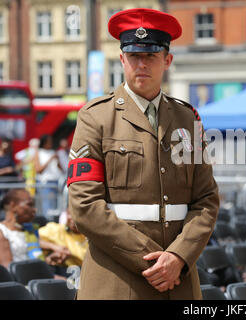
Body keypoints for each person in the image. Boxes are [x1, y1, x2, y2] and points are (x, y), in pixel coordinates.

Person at [67, 8, 219, 300]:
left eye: (150, 56)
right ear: (122, 59)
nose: (141, 64)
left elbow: (206, 200)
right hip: (116, 282)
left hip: (178, 281)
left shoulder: (188, 119)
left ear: (167, 60)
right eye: (134, 56)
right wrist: (155, 261)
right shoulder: (95, 117)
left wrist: (178, 256)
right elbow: (85, 206)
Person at [0, 189, 45, 268]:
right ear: (13, 206)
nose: (34, 209)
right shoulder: (2, 232)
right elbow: (8, 268)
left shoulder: (30, 231)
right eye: (29, 205)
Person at [35, 134, 63, 218]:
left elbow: (61, 169)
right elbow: (38, 170)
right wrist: (50, 159)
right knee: (47, 205)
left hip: (56, 181)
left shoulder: (53, 152)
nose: (51, 143)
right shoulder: (38, 153)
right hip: (46, 183)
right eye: (49, 141)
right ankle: (48, 222)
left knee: (57, 204)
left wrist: (57, 161)